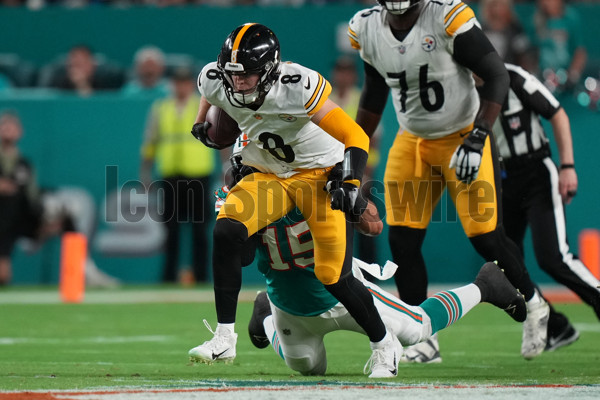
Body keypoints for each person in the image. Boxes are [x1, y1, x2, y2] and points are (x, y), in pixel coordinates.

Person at [188, 23, 402, 378]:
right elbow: (209, 89)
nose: (238, 83)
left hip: (315, 173)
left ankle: (383, 344)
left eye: (247, 75)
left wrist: (349, 180)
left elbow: (355, 134)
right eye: (233, 75)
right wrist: (200, 122)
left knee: (334, 276)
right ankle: (225, 336)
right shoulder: (216, 76)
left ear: (270, 70)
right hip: (268, 173)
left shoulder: (296, 85)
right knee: (226, 231)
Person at [347, 0, 550, 361]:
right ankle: (424, 336)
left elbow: (497, 75)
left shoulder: (445, 15)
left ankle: (535, 304)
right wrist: (352, 157)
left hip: (462, 135)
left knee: (487, 239)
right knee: (403, 240)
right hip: (413, 140)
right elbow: (375, 91)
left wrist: (479, 135)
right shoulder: (366, 28)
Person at [491, 63, 600, 350]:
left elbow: (558, 113)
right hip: (501, 180)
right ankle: (556, 326)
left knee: (553, 256)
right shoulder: (460, 87)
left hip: (536, 172)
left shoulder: (513, 78)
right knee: (505, 266)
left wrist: (567, 167)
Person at [139, 66, 216, 284]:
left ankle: (201, 276)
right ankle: (168, 276)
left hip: (198, 173)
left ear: (191, 83)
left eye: (184, 81)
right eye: (177, 81)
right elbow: (150, 141)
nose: (180, 86)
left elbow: (221, 137)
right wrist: (145, 172)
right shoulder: (161, 108)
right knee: (170, 229)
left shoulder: (203, 105)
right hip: (171, 175)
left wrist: (227, 168)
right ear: (172, 84)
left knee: (200, 229)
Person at [329, 56, 380, 265]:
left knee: (366, 224)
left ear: (354, 76)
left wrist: (364, 174)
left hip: (359, 174)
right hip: (331, 175)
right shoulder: (326, 99)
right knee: (334, 227)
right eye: (340, 71)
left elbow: (373, 140)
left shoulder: (361, 99)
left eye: (348, 71)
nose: (343, 76)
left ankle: (370, 277)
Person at [0, 111, 41, 286]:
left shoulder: (24, 162)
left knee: (3, 274)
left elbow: (31, 195)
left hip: (10, 221)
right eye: (5, 126)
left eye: (13, 127)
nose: (9, 131)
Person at [533, 0, 587, 93]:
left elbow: (580, 52)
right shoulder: (536, 20)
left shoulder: (571, 17)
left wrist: (572, 76)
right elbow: (530, 52)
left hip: (565, 77)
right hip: (543, 78)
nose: (546, 3)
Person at [479, 0, 534, 71]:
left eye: (500, 5)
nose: (496, 10)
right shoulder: (481, 30)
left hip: (511, 74)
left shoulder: (515, 30)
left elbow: (523, 58)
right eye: (493, 5)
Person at [50, 45, 125, 96]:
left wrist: (82, 84)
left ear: (92, 65)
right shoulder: (58, 84)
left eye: (81, 64)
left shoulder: (106, 83)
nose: (76, 69)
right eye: (74, 64)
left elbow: (94, 107)